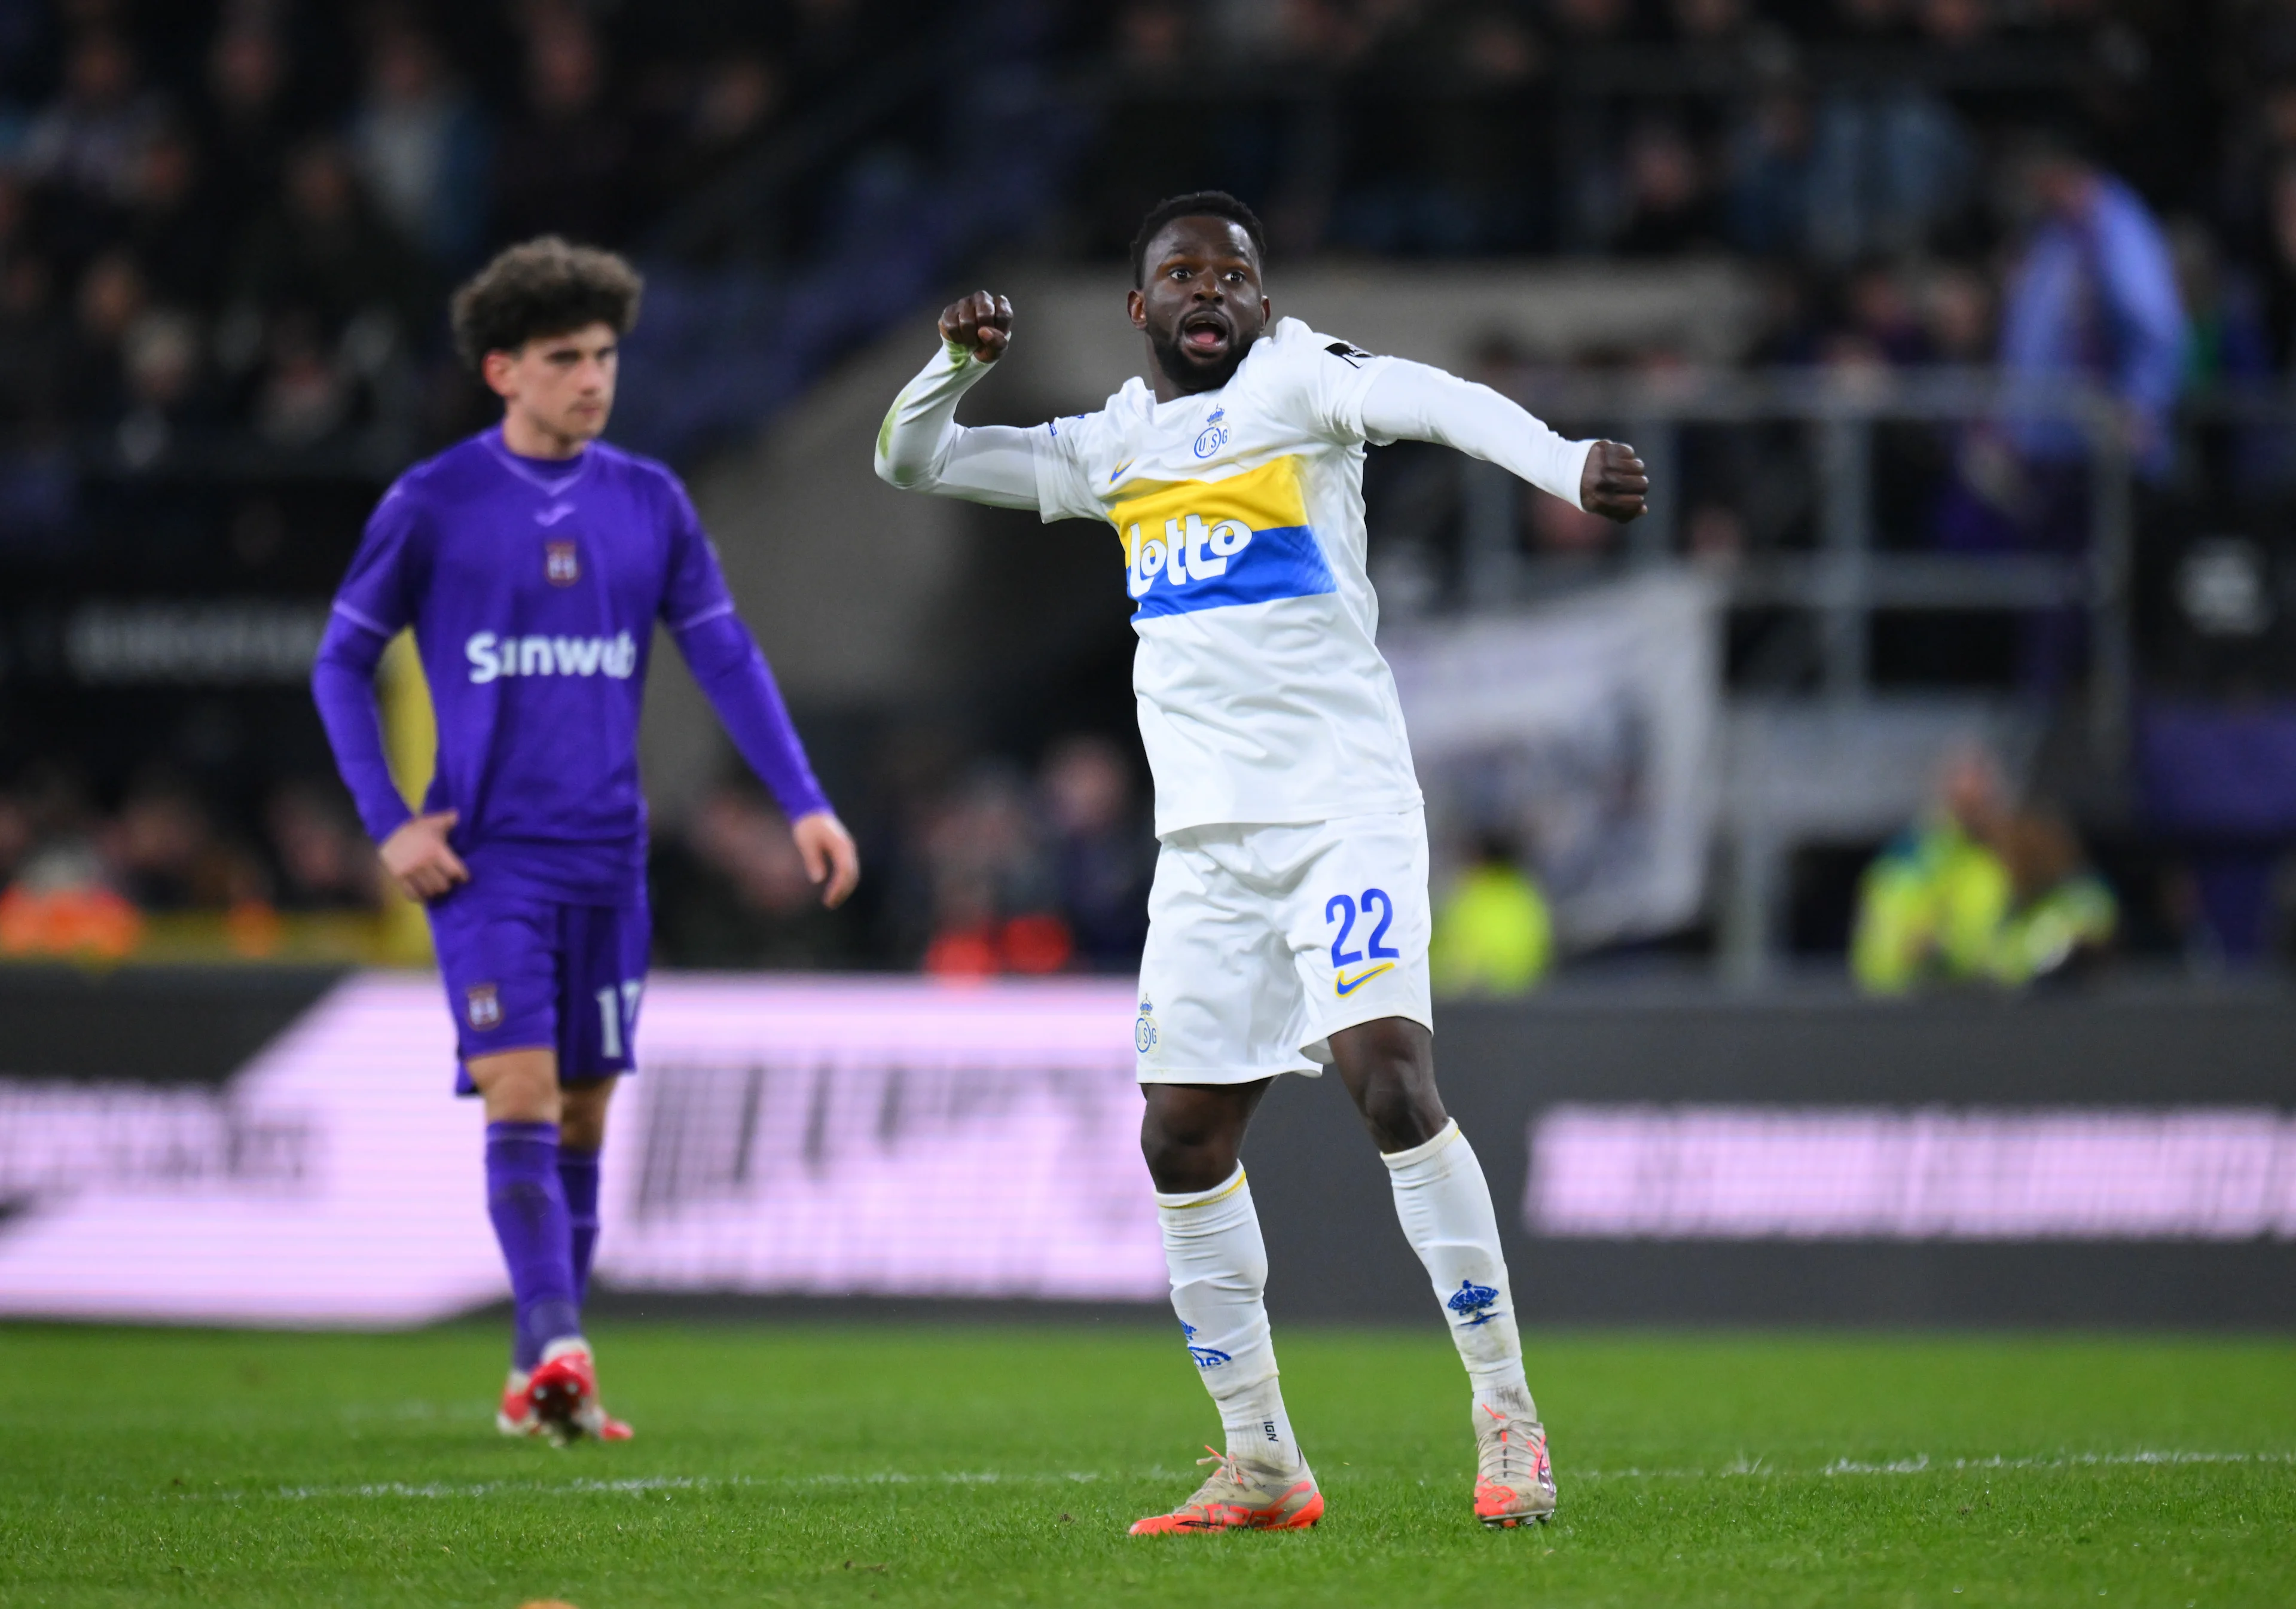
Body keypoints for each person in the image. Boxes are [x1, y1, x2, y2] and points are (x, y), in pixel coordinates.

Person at [875, 191, 1647, 1532]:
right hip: (1207, 850)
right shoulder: (1113, 445)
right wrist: (953, 366)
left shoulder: (1303, 380)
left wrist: (1568, 460)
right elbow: (911, 461)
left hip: (1342, 810)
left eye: (1233, 271)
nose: (1210, 289)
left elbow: (1442, 398)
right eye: (1182, 272)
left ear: (1263, 301)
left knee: (1391, 1082)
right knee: (1180, 1134)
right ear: (1140, 308)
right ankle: (1263, 1458)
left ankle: (1510, 1420)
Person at [310, 237, 858, 1443]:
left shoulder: (649, 500)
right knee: (521, 1083)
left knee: (584, 1117)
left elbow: (725, 653)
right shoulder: (434, 502)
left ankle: (534, 1372)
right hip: (487, 857)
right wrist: (390, 825)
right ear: (504, 370)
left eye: (605, 356)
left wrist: (803, 798)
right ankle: (563, 1340)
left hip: (611, 857)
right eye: (566, 359)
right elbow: (340, 660)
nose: (593, 379)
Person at [1851, 743, 2013, 994]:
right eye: (1965, 800)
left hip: (1992, 1009)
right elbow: (1876, 960)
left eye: (1982, 800)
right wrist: (1915, 950)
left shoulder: (2007, 861)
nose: (1975, 810)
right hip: (1920, 1010)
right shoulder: (1908, 862)